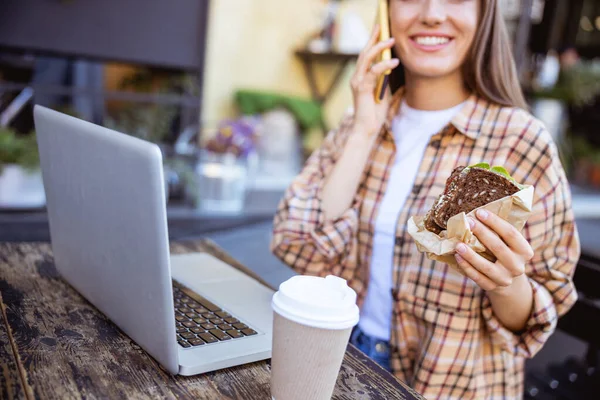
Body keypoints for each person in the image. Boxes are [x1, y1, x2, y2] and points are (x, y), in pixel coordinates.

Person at [270, 0, 580, 398]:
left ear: (484, 15)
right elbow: (296, 244)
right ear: (385, 12)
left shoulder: (522, 141)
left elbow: (540, 310)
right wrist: (364, 128)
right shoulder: (360, 121)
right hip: (341, 361)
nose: (432, 13)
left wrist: (507, 284)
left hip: (450, 386)